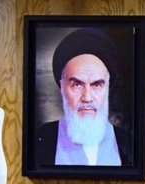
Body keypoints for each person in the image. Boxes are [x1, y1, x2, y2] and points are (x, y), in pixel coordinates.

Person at [35, 27, 133, 166]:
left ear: (107, 87)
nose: (87, 98)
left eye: (97, 85)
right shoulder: (41, 139)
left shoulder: (129, 143)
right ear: (62, 87)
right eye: (77, 85)